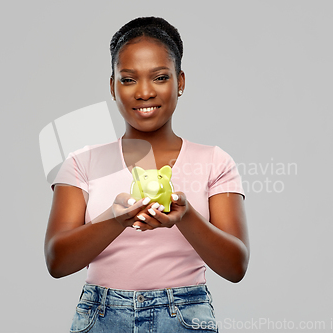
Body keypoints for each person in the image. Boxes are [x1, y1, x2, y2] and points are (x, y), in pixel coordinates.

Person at [44, 16, 249, 332]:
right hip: (100, 317)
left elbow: (236, 266)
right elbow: (57, 262)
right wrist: (116, 219)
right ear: (112, 86)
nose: (143, 92)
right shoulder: (81, 161)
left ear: (180, 82)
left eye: (159, 77)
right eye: (128, 79)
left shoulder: (214, 162)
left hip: (183, 317)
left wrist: (186, 217)